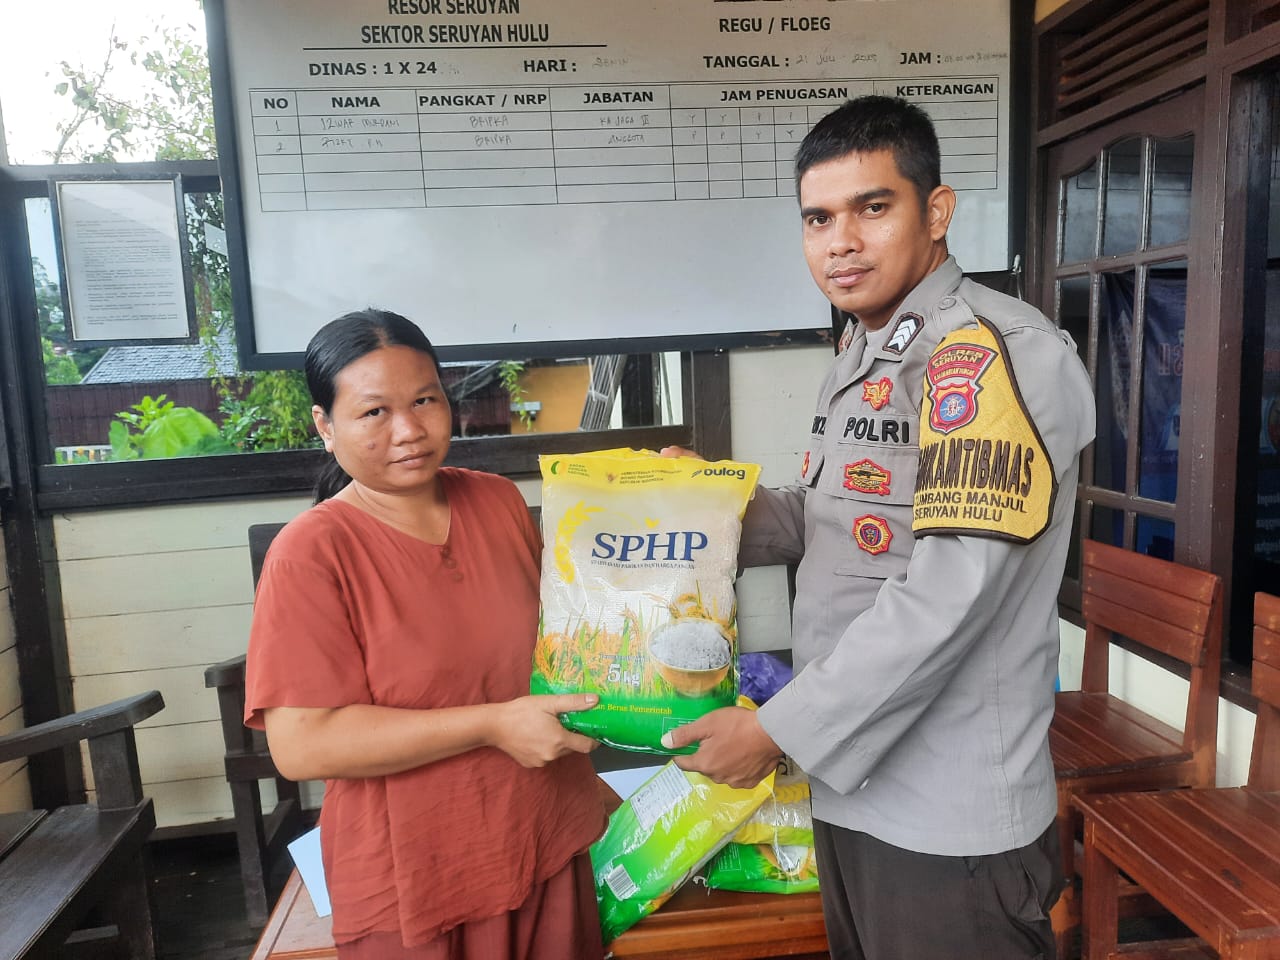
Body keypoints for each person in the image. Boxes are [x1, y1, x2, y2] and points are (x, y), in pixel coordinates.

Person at [660, 96, 1096, 959]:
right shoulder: (867, 350)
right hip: (853, 784)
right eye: (818, 218)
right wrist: (700, 503)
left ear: (936, 212)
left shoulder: (987, 355)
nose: (841, 242)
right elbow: (830, 517)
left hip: (945, 811)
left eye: (872, 206)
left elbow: (948, 595)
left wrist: (775, 732)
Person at [244, 309, 608, 960]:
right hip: (418, 878)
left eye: (424, 401)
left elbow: (562, 638)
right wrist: (492, 724)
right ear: (325, 426)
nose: (409, 430)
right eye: (374, 412)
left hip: (546, 837)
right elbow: (301, 745)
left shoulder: (496, 502)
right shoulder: (311, 553)